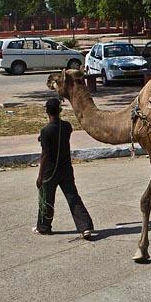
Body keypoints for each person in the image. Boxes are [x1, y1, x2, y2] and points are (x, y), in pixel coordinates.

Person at [33, 98, 94, 238]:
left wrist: (40, 176)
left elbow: (45, 155)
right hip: (66, 169)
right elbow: (58, 134)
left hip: (50, 171)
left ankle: (44, 227)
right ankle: (85, 227)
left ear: (47, 111)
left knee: (47, 199)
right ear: (60, 111)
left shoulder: (45, 131)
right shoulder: (67, 126)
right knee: (73, 197)